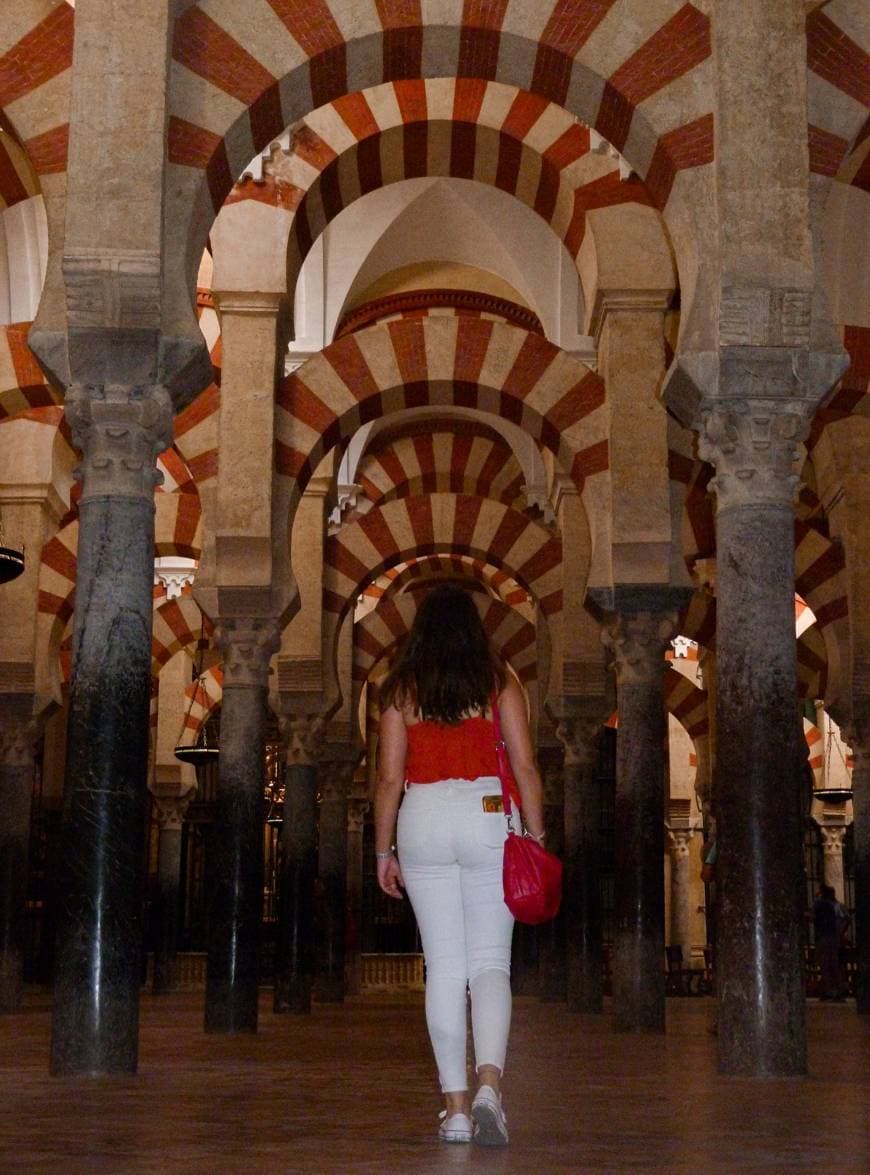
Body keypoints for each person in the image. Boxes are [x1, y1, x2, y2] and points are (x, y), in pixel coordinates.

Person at [374, 585, 545, 1147]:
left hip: (422, 817)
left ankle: (454, 1112)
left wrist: (383, 851)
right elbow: (524, 765)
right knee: (490, 964)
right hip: (488, 815)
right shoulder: (499, 683)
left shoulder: (401, 690)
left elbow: (389, 779)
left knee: (444, 968)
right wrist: (536, 837)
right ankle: (489, 1086)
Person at [813, 884, 846, 1001]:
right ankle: (838, 991)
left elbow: (814, 913)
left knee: (825, 964)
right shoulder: (833, 906)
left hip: (824, 937)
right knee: (833, 964)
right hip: (832, 937)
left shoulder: (822, 905)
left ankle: (829, 991)